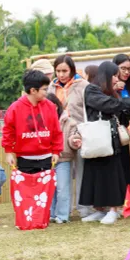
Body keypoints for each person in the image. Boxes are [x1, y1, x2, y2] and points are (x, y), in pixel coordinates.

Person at [78, 62, 130, 225]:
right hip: (96, 138)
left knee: (112, 174)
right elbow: (106, 105)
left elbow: (121, 117)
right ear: (106, 76)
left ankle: (113, 209)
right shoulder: (91, 90)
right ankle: (99, 210)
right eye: (114, 75)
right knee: (95, 174)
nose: (116, 79)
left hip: (111, 140)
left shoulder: (114, 94)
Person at [47, 54, 90, 217]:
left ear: (72, 70)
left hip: (79, 133)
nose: (61, 74)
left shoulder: (83, 85)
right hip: (58, 135)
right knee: (61, 175)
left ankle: (82, 208)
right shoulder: (51, 87)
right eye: (58, 71)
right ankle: (59, 210)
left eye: (64, 70)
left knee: (81, 171)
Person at [3, 70, 62, 174]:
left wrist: (56, 152)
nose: (46, 92)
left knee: (46, 190)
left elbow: (56, 131)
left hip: (46, 158)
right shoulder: (15, 108)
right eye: (44, 89)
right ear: (33, 90)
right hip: (24, 160)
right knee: (26, 190)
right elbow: (8, 131)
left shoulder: (50, 106)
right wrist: (8, 152)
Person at [45, 93, 80, 224]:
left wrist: (75, 141)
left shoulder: (69, 122)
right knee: (50, 189)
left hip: (63, 158)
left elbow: (73, 136)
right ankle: (52, 214)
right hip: (46, 159)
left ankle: (63, 215)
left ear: (55, 106)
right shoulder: (41, 121)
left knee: (62, 188)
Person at [112, 54, 130, 195]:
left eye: (129, 69)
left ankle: (127, 198)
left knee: (126, 165)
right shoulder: (108, 87)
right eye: (123, 68)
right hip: (112, 132)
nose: (126, 72)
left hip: (125, 132)